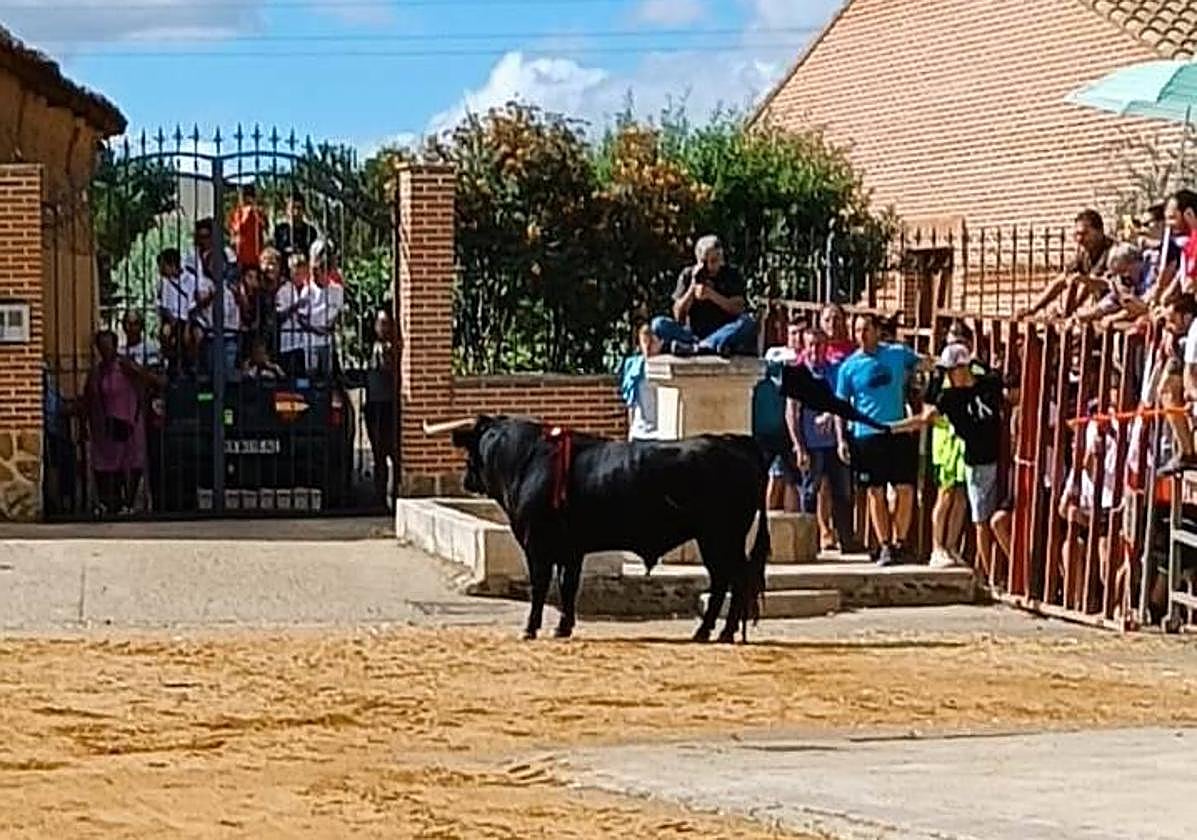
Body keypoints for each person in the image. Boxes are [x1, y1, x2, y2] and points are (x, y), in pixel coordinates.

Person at [897, 344, 1012, 577]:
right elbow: (925, 418)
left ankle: (952, 547)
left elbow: (1009, 388)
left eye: (953, 370)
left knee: (964, 500)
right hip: (972, 459)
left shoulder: (988, 383)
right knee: (975, 515)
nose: (949, 376)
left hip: (996, 459)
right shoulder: (948, 396)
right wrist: (892, 428)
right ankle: (983, 572)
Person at [835, 313, 924, 565]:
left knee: (904, 489)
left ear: (877, 331)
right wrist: (842, 440)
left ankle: (901, 541)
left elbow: (923, 365)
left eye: (865, 329)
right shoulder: (848, 367)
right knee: (876, 491)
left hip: (897, 431)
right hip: (866, 435)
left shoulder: (897, 354)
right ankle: (884, 543)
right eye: (857, 330)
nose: (861, 335)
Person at [788, 325, 858, 550]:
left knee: (843, 492)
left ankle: (846, 540)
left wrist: (840, 436)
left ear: (827, 346)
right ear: (805, 346)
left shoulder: (836, 371)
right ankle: (808, 542)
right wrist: (799, 446)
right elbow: (792, 413)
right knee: (809, 492)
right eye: (811, 345)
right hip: (811, 443)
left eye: (819, 345)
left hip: (834, 443)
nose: (815, 349)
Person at [651, 235, 757, 357]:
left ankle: (703, 346)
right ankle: (704, 346)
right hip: (692, 334)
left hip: (723, 331)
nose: (711, 266)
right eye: (706, 262)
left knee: (748, 322)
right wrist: (692, 289)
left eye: (715, 261)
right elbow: (678, 315)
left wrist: (712, 295)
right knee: (658, 324)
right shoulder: (688, 274)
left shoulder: (730, 275)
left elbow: (738, 308)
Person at [83, 329, 146, 517]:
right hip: (107, 423)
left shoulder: (126, 366)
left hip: (130, 419)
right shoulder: (97, 372)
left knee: (133, 461)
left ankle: (130, 502)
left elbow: (145, 383)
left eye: (108, 345)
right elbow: (89, 397)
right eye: (101, 346)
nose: (105, 350)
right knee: (108, 463)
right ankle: (111, 502)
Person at [1015, 209, 1115, 319]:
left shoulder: (1114, 253)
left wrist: (1070, 310)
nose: (1079, 239)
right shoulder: (1085, 255)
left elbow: (1097, 284)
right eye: (1077, 234)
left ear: (1099, 232)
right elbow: (1061, 281)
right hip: (1102, 310)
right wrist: (1034, 308)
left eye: (1084, 234)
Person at [927, 323, 972, 568]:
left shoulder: (973, 373)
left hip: (966, 440)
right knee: (945, 494)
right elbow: (928, 409)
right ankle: (937, 547)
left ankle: (953, 545)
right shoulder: (938, 378)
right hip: (945, 441)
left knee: (962, 495)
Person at [1069, 243, 1150, 328]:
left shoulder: (1150, 274)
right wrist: (1090, 313)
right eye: (1118, 273)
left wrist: (1113, 317)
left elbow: (1144, 307)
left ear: (1136, 263)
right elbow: (1110, 300)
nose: (1123, 276)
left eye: (1124, 271)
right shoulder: (1122, 280)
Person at [365, 310, 398, 506]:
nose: (382, 328)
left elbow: (388, 370)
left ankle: (392, 495)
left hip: (387, 405)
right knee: (378, 454)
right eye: (380, 323)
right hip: (373, 405)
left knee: (390, 453)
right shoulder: (375, 347)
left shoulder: (390, 349)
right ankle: (379, 498)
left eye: (386, 323)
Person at [300, 239, 344, 378]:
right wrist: (316, 329)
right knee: (311, 375)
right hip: (311, 341)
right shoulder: (307, 291)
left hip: (327, 341)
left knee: (327, 377)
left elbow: (338, 312)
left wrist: (331, 325)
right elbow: (302, 318)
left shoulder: (337, 290)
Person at [618, 322, 663, 441]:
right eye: (644, 342)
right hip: (639, 432)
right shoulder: (635, 368)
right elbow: (631, 402)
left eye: (651, 342)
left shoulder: (666, 369)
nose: (647, 347)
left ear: (659, 343)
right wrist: (631, 430)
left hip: (660, 433)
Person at [276, 254, 311, 377]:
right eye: (296, 274)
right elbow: (279, 315)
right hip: (288, 342)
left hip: (306, 342)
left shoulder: (310, 290)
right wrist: (294, 307)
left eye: (302, 273)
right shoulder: (283, 291)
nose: (299, 277)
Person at [227, 184, 268, 271]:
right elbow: (233, 235)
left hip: (255, 257)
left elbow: (265, 231)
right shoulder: (236, 214)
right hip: (241, 257)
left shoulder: (257, 213)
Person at [273, 192, 319, 271]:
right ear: (287, 210)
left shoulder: (310, 231)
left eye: (299, 208)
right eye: (292, 208)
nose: (296, 212)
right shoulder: (280, 230)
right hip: (284, 272)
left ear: (303, 210)